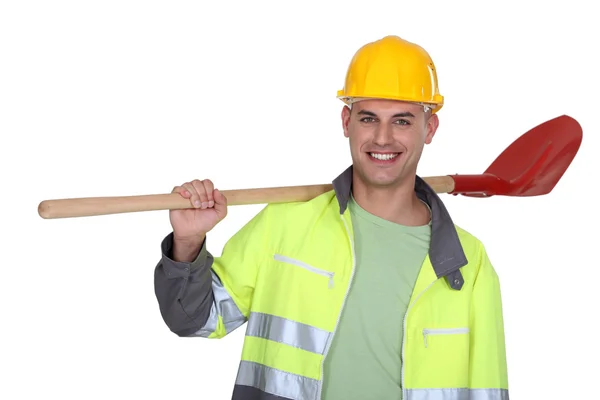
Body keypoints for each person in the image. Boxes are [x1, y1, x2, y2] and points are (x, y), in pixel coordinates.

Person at [153, 35, 510, 400]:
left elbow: (487, 389)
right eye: (368, 118)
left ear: (429, 128)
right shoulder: (284, 226)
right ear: (346, 121)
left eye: (402, 121)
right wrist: (188, 243)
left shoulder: (468, 263)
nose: (383, 138)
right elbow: (193, 320)